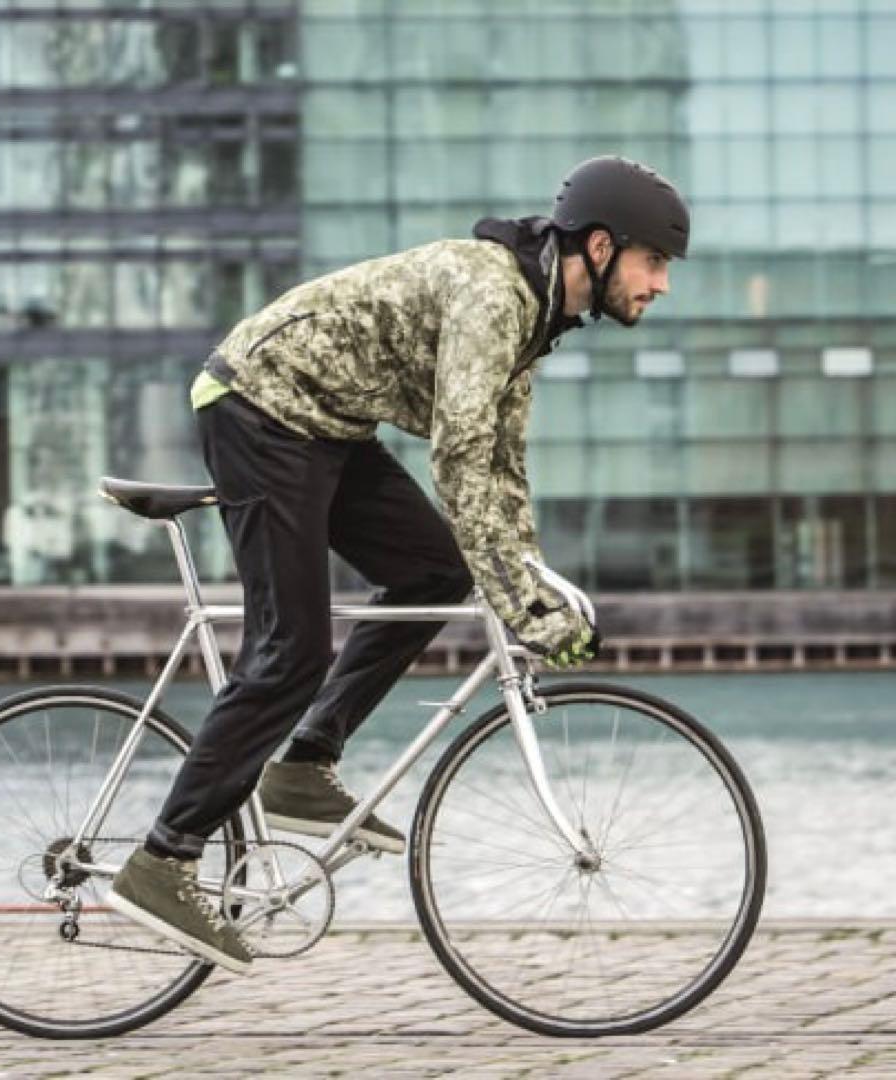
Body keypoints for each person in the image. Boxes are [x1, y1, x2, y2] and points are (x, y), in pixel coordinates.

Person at [107, 155, 690, 972]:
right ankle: (163, 860)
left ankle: (303, 767)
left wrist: (532, 583)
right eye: (655, 262)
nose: (662, 284)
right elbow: (457, 457)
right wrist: (520, 600)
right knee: (290, 652)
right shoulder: (495, 295)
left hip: (329, 427)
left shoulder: (536, 317)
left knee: (435, 571)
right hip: (259, 408)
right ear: (599, 246)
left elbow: (501, 467)